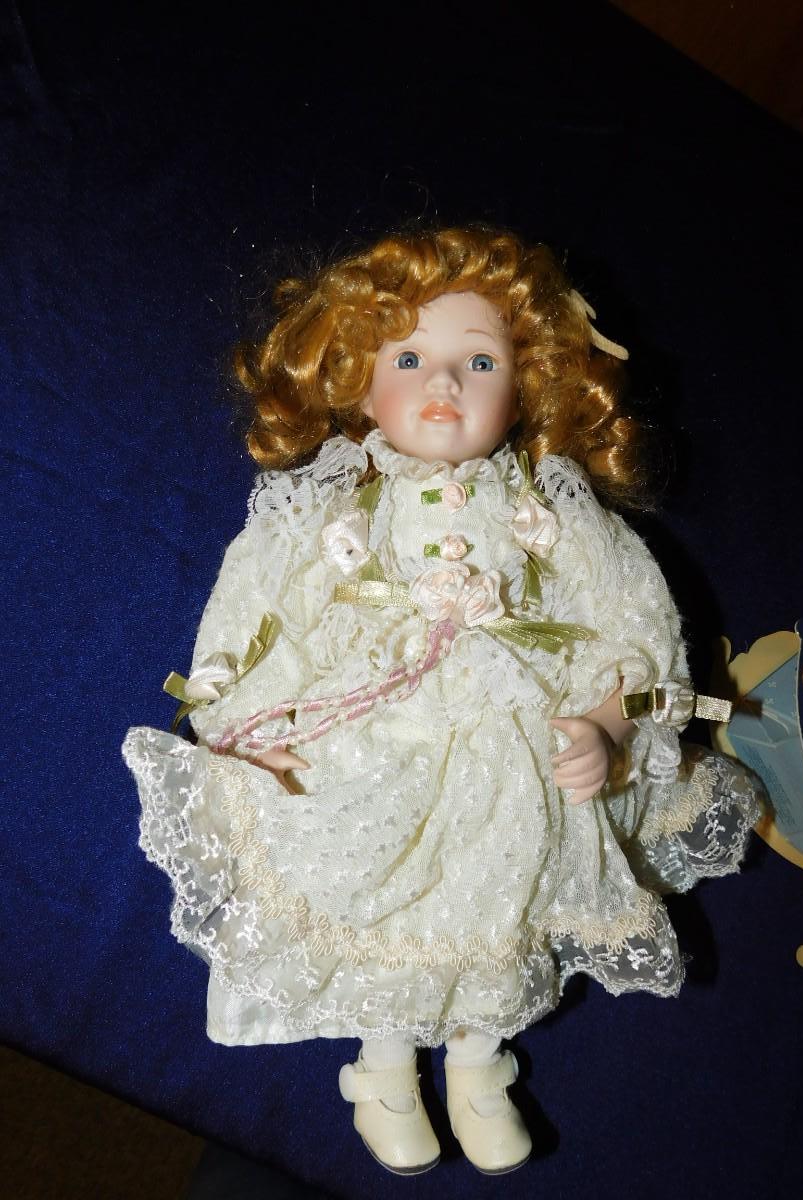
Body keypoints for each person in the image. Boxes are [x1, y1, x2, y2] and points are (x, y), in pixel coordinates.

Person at [123, 226, 762, 1176]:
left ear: (526, 387)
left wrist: (607, 724)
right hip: (370, 737)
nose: (446, 382)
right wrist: (245, 728)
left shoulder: (552, 507)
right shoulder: (330, 502)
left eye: (481, 362)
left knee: (501, 887)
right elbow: (260, 613)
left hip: (516, 750)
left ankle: (478, 1064)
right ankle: (383, 1069)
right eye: (410, 358)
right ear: (359, 382)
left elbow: (630, 625)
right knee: (375, 886)